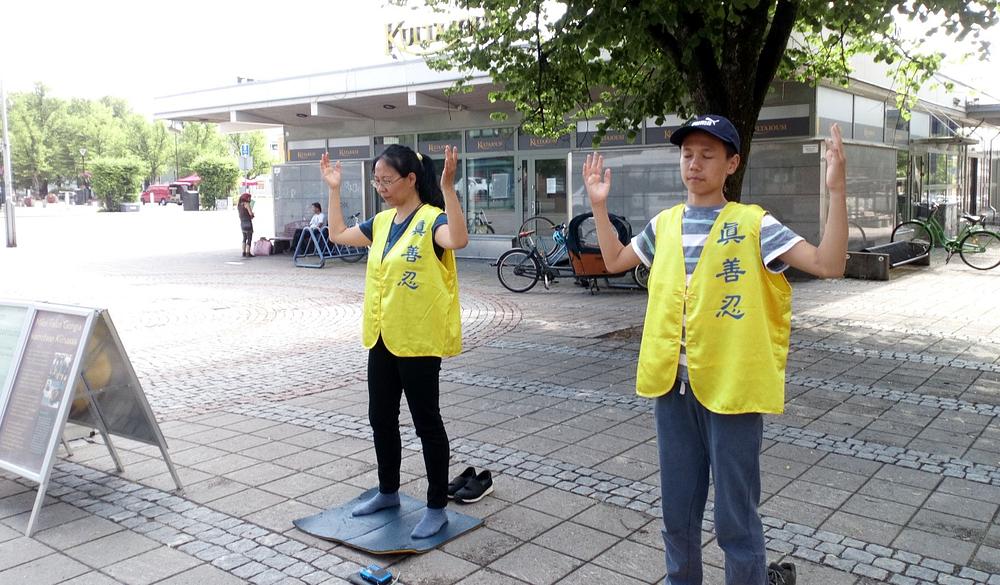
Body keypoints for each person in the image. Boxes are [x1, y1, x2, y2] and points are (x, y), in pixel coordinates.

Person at [582, 115, 847, 585]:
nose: (695, 163)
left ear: (732, 163)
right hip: (673, 388)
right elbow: (614, 261)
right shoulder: (664, 225)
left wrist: (836, 190)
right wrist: (599, 209)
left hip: (733, 391)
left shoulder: (753, 224)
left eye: (708, 155)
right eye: (688, 154)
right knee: (676, 511)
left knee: (735, 517)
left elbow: (828, 264)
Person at [320, 144, 468, 539]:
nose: (381, 187)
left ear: (411, 180)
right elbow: (336, 234)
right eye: (377, 181)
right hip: (383, 337)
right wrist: (334, 189)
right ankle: (389, 491)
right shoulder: (382, 222)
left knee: (427, 424)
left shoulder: (432, 219)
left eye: (387, 180)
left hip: (419, 341)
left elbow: (458, 239)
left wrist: (449, 188)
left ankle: (437, 505)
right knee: (380, 419)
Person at [238, 192, 255, 257]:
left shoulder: (239, 205)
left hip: (242, 223)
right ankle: (248, 252)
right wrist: (253, 214)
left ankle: (243, 252)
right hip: (248, 223)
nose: (250, 199)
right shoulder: (247, 204)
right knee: (249, 238)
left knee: (244, 238)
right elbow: (251, 214)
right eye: (249, 198)